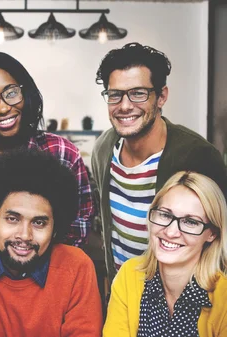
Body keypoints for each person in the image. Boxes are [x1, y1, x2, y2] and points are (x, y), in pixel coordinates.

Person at [91, 42, 227, 283]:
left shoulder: (198, 156)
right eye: (115, 95)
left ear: (161, 96)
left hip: (182, 299)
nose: (125, 105)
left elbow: (220, 236)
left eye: (138, 93)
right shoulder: (103, 149)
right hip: (122, 293)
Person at [0, 52, 93, 247]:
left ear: (26, 93)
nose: (2, 109)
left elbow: (79, 227)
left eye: (11, 93)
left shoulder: (63, 153)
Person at [0, 148, 102, 336]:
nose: (25, 235)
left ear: (55, 229)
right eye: (13, 219)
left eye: (39, 222)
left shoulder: (76, 267)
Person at [104, 171, 227, 336]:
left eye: (190, 222)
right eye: (165, 214)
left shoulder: (223, 298)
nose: (170, 232)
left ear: (212, 234)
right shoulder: (129, 275)